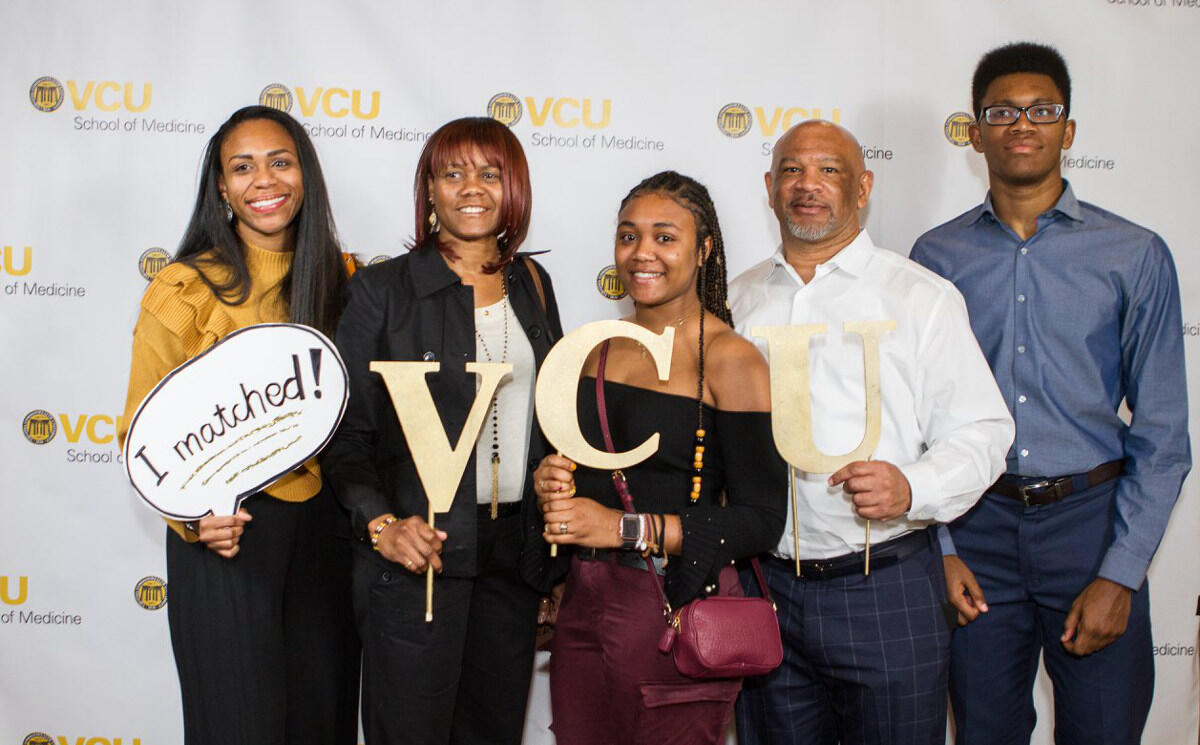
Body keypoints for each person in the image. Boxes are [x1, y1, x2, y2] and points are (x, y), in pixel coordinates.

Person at [910, 42, 1191, 745]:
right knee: (983, 732)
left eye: (1043, 109)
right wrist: (940, 547)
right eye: (1002, 111)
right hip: (976, 531)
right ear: (975, 134)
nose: (1022, 124)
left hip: (1092, 528)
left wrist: (1121, 572)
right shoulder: (934, 259)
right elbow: (911, 421)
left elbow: (1162, 432)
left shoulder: (1135, 253)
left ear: (1069, 130)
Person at [730, 120, 1014, 745]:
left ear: (863, 187)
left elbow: (986, 430)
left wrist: (912, 486)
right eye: (792, 170)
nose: (808, 185)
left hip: (883, 585)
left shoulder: (920, 298)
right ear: (770, 187)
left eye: (829, 170)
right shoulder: (735, 301)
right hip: (764, 587)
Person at [117, 105, 358, 745]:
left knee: (321, 720)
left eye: (280, 162)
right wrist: (193, 520)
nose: (263, 181)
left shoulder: (349, 281)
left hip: (329, 535)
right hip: (227, 537)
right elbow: (140, 435)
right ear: (220, 186)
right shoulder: (183, 288)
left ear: (304, 173)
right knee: (238, 727)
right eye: (241, 167)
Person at [321, 116, 563, 745]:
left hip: (512, 558)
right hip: (417, 554)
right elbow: (344, 434)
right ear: (429, 191)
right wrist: (381, 524)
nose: (471, 187)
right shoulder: (382, 291)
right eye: (451, 173)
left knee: (492, 731)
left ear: (514, 187)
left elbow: (550, 418)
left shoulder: (534, 285)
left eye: (489, 173)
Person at [532, 170, 787, 745]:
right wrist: (552, 482)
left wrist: (621, 526)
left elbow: (762, 519)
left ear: (703, 250)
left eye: (665, 237)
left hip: (672, 606)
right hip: (582, 601)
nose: (642, 252)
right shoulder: (594, 348)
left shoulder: (731, 360)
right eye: (628, 236)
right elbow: (591, 475)